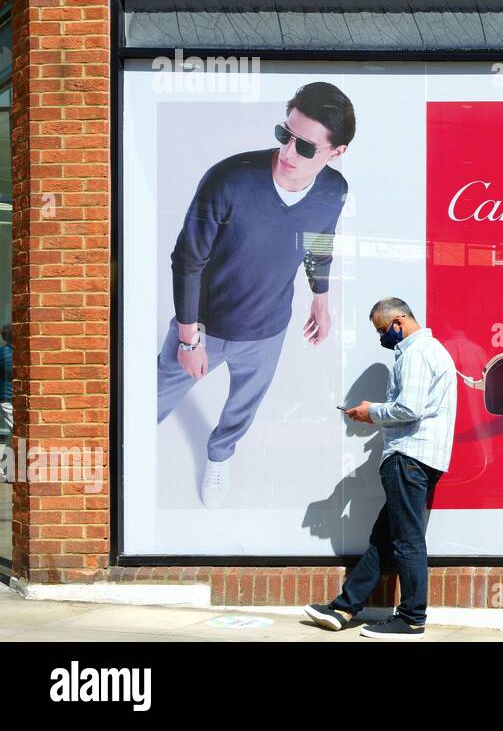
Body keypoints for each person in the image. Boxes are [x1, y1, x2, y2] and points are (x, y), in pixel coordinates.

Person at [156, 82, 353, 507]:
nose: (286, 153)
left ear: (335, 153)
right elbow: (187, 258)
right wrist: (189, 338)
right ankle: (127, 449)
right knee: (153, 398)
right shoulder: (229, 179)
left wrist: (321, 297)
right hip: (204, 326)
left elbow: (319, 240)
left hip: (268, 329)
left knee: (243, 406)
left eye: (304, 147)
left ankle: (220, 455)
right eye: (284, 135)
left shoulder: (334, 190)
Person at [304, 297, 458, 640]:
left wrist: (369, 412)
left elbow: (410, 407)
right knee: (384, 539)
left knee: (406, 540)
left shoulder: (416, 353)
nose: (382, 338)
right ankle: (345, 608)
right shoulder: (434, 352)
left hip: (409, 457)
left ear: (399, 322)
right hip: (420, 458)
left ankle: (412, 618)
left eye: (382, 330)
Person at [0, 324, 13, 442]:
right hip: (8, 398)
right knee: (18, 430)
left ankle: (6, 459)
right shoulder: (9, 353)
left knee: (15, 431)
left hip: (7, 398)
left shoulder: (2, 352)